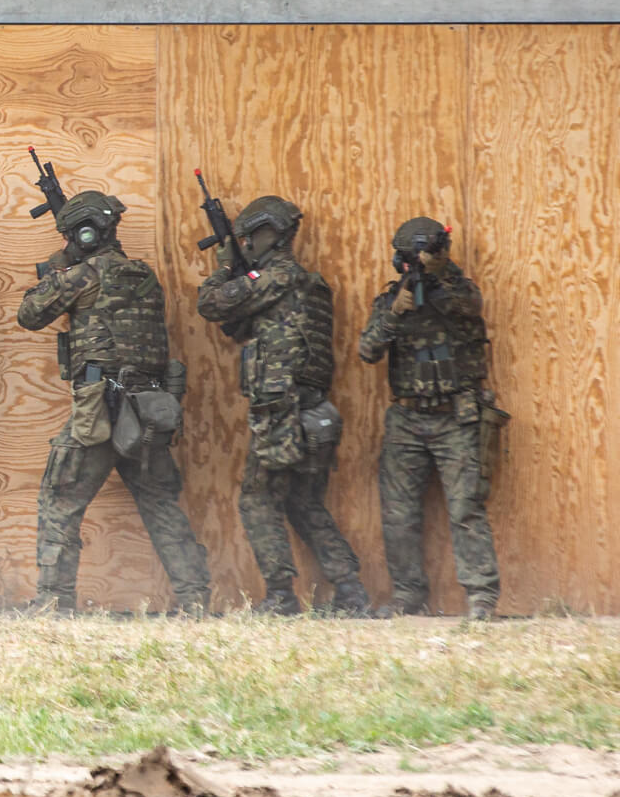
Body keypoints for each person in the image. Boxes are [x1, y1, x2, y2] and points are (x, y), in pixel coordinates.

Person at [16, 191, 211, 614]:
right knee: (161, 504)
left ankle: (54, 602)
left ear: (85, 234)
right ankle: (196, 599)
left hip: (101, 410)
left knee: (59, 499)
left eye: (72, 234)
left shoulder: (84, 275)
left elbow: (30, 314)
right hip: (148, 408)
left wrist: (57, 271)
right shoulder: (144, 276)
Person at [195, 195, 369, 616]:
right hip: (313, 413)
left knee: (258, 500)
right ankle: (350, 591)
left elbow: (210, 302)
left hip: (283, 414)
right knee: (302, 502)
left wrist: (224, 265)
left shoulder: (278, 277)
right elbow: (239, 325)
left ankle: (280, 596)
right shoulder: (305, 284)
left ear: (270, 234)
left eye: (249, 237)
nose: (246, 243)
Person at [357, 217, 501, 621]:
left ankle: (482, 598)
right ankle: (407, 595)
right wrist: (395, 314)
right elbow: (367, 350)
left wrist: (440, 275)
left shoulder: (458, 290)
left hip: (456, 415)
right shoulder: (391, 300)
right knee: (398, 512)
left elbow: (470, 306)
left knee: (466, 508)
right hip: (406, 418)